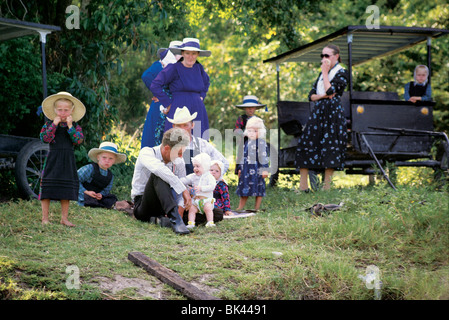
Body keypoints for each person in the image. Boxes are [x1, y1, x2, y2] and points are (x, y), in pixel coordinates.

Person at [295, 44, 349, 191]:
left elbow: (332, 90)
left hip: (333, 114)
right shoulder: (320, 75)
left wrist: (325, 73)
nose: (324, 59)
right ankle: (303, 186)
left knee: (330, 146)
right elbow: (311, 96)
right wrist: (324, 95)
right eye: (322, 56)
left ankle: (327, 187)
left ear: (336, 56)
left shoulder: (342, 72)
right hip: (318, 112)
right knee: (306, 143)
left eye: (327, 56)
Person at [131, 128, 191, 235]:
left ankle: (164, 219)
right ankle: (175, 220)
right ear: (167, 148)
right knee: (159, 175)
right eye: (179, 153)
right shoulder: (147, 153)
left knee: (216, 214)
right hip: (144, 205)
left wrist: (181, 207)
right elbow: (158, 169)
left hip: (167, 203)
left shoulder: (179, 161)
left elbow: (182, 185)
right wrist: (183, 189)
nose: (181, 156)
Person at [39, 92, 85, 227]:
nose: (63, 113)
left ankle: (64, 218)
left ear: (72, 111)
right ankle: (44, 218)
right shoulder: (49, 124)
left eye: (66, 110)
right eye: (60, 110)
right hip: (53, 157)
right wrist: (54, 124)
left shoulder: (75, 126)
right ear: (54, 110)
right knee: (47, 187)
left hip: (68, 159)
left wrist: (70, 127)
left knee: (66, 189)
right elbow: (44, 138)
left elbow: (78, 140)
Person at [150, 37, 211, 140]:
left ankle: (197, 156)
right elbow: (155, 85)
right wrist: (167, 103)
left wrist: (201, 96)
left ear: (198, 54)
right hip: (178, 108)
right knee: (176, 142)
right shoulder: (173, 68)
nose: (190, 57)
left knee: (198, 144)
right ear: (182, 53)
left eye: (194, 54)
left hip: (198, 109)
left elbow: (206, 83)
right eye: (187, 53)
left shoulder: (199, 68)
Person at [141, 40, 182, 148]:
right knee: (156, 138)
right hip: (161, 106)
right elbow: (146, 76)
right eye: (176, 53)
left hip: (175, 106)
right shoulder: (162, 65)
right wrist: (161, 94)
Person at [167, 106, 229, 175]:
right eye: (178, 126)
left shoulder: (202, 144)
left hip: (200, 185)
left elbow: (224, 163)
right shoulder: (168, 146)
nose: (182, 129)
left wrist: (211, 180)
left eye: (185, 125)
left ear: (192, 125)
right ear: (173, 127)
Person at [77, 142, 127, 208]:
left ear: (114, 160)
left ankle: (96, 203)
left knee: (112, 198)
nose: (107, 161)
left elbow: (106, 190)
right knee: (85, 197)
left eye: (110, 158)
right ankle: (90, 202)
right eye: (104, 157)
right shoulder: (90, 168)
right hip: (83, 192)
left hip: (95, 196)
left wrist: (100, 195)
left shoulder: (110, 175)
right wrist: (86, 192)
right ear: (98, 157)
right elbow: (75, 180)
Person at [235, 116, 270, 212]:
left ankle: (257, 208)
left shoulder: (261, 143)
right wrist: (239, 169)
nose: (252, 133)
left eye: (255, 131)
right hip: (245, 170)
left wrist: (265, 169)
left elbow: (264, 157)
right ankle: (240, 207)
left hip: (257, 170)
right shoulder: (245, 142)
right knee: (244, 189)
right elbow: (241, 156)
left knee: (259, 189)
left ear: (260, 132)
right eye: (250, 131)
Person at [181, 153, 217, 229]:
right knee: (191, 209)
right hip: (196, 200)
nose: (195, 168)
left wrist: (201, 188)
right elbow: (184, 180)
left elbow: (212, 186)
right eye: (194, 166)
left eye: (198, 166)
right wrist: (186, 186)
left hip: (206, 200)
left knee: (208, 209)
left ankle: (210, 222)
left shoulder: (209, 176)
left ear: (205, 166)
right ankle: (191, 223)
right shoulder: (193, 176)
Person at [234, 95, 266, 175]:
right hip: (244, 143)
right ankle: (241, 176)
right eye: (248, 107)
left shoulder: (258, 120)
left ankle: (255, 177)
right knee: (242, 159)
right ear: (245, 108)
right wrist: (245, 133)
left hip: (256, 143)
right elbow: (237, 130)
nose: (250, 109)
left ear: (255, 108)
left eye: (252, 107)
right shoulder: (242, 118)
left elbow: (261, 131)